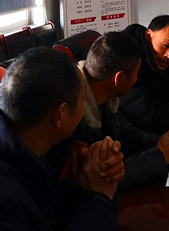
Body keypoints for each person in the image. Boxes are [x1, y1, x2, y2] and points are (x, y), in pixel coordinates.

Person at [0, 48, 124, 230]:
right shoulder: (6, 204)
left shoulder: (46, 149)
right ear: (61, 115)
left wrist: (83, 183)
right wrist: (99, 196)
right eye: (83, 100)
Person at [74, 32, 169, 191]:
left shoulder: (105, 96)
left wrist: (164, 144)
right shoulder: (72, 114)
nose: (137, 80)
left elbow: (126, 131)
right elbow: (102, 177)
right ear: (119, 79)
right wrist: (160, 156)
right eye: (137, 74)